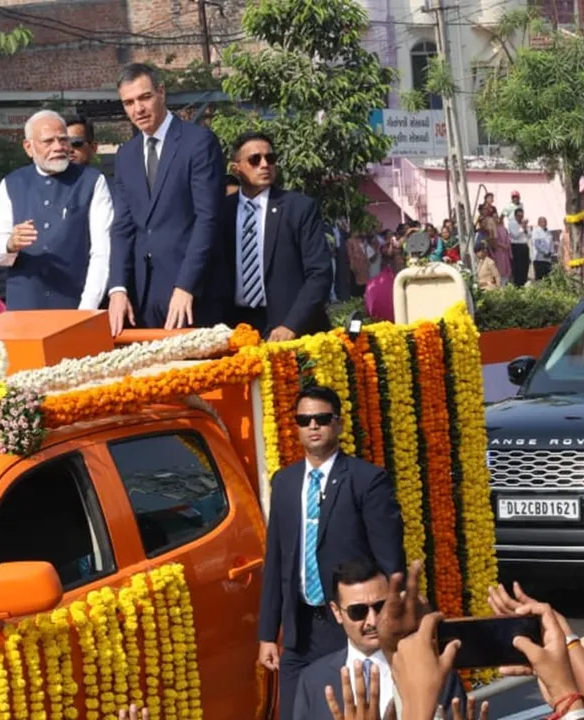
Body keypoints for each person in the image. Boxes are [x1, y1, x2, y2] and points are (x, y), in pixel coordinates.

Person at [256, 385, 404, 720]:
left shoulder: (367, 480)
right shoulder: (286, 482)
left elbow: (390, 561)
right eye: (304, 419)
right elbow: (277, 561)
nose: (313, 426)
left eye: (322, 418)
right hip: (300, 632)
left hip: (347, 627)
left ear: (338, 423)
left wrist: (388, 622)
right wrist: (268, 635)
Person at [106, 63, 224, 334]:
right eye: (128, 102)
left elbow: (208, 219)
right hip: (143, 297)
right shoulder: (126, 155)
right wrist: (118, 288)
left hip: (192, 295)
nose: (138, 109)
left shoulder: (198, 142)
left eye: (144, 97)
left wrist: (186, 285)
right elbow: (123, 226)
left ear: (161, 92)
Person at [291, 558, 465, 719]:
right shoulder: (313, 680)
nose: (372, 621)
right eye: (358, 611)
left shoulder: (435, 671)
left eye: (380, 607)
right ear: (337, 612)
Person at [0, 109, 112, 311]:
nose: (58, 147)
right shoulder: (11, 184)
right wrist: (10, 244)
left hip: (75, 304)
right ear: (29, 147)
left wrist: (87, 309)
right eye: (48, 142)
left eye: (63, 140)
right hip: (25, 307)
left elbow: (102, 252)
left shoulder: (91, 181)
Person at [221, 131, 333, 341]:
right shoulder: (222, 212)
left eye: (270, 158)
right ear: (236, 168)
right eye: (255, 160)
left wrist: (292, 325)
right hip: (238, 329)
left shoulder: (299, 208)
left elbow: (320, 273)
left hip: (291, 329)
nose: (264, 165)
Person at [507, 207, 531, 286]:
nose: (520, 217)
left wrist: (525, 228)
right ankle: (517, 283)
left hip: (524, 245)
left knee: (525, 265)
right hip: (516, 246)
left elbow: (529, 235)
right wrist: (522, 228)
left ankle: (523, 281)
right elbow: (515, 235)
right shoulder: (511, 223)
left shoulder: (523, 223)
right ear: (515, 216)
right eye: (519, 216)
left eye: (522, 216)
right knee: (518, 266)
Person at [531, 216, 554, 281]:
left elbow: (551, 243)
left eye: (545, 222)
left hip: (548, 259)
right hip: (539, 259)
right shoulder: (536, 231)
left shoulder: (548, 232)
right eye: (542, 222)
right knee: (540, 278)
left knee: (548, 278)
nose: (544, 223)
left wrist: (551, 253)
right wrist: (545, 252)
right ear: (538, 223)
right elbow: (537, 244)